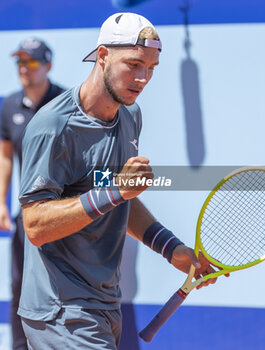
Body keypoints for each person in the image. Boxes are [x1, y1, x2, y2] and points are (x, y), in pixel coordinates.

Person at [18, 13, 218, 349]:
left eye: (151, 68)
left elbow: (120, 199)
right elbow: (36, 225)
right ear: (102, 55)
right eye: (134, 64)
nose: (143, 78)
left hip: (104, 304)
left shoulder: (130, 115)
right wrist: (115, 190)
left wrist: (172, 250)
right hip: (60, 310)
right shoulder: (52, 126)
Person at [0, 38, 65, 350]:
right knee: (20, 286)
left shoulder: (66, 103)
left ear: (48, 66)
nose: (25, 69)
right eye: (20, 62)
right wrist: (1, 201)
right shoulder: (9, 105)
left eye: (32, 62)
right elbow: (5, 156)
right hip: (27, 217)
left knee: (62, 290)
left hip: (65, 216)